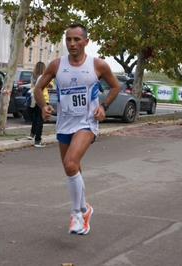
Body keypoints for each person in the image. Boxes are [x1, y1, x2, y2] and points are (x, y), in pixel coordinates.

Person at [34, 24, 120, 235]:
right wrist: (43, 106)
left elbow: (115, 86)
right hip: (64, 123)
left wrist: (103, 106)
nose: (72, 44)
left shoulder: (97, 65)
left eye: (77, 39)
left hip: (87, 122)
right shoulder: (56, 65)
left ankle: (77, 213)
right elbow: (38, 87)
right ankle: (85, 207)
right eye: (69, 40)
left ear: (86, 42)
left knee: (70, 162)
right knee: (72, 168)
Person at [26, 61, 54, 147]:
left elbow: (32, 87)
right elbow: (51, 85)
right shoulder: (44, 77)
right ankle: (38, 140)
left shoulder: (33, 77)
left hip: (35, 98)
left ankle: (32, 134)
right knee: (41, 120)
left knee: (35, 118)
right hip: (43, 98)